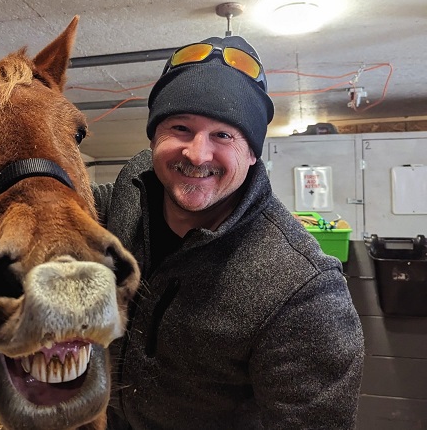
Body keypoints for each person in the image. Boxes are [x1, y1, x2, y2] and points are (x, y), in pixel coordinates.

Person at [91, 34, 364, 429]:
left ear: (252, 153)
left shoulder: (304, 290)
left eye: (223, 135)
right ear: (154, 136)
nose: (197, 154)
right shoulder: (130, 192)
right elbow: (62, 205)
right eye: (181, 127)